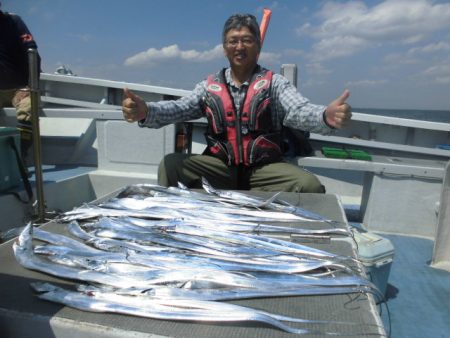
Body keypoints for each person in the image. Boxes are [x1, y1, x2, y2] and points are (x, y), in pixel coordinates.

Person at [122, 13, 351, 193]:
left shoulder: (275, 84)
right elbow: (179, 108)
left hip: (264, 169)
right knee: (170, 165)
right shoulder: (208, 86)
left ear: (258, 48)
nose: (239, 47)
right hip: (221, 167)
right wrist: (146, 111)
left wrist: (325, 117)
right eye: (233, 41)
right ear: (224, 49)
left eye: (247, 41)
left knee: (309, 185)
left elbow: (299, 111)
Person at [0, 3, 41, 160]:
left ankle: (21, 155)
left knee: (27, 110)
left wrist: (29, 87)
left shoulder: (14, 21)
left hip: (21, 88)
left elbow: (32, 53)